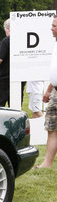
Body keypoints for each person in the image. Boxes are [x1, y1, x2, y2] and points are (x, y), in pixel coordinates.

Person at [37, 16, 57, 169]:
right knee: (52, 127)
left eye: (54, 26)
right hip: (55, 92)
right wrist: (49, 90)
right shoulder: (55, 43)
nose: (51, 28)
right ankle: (47, 164)